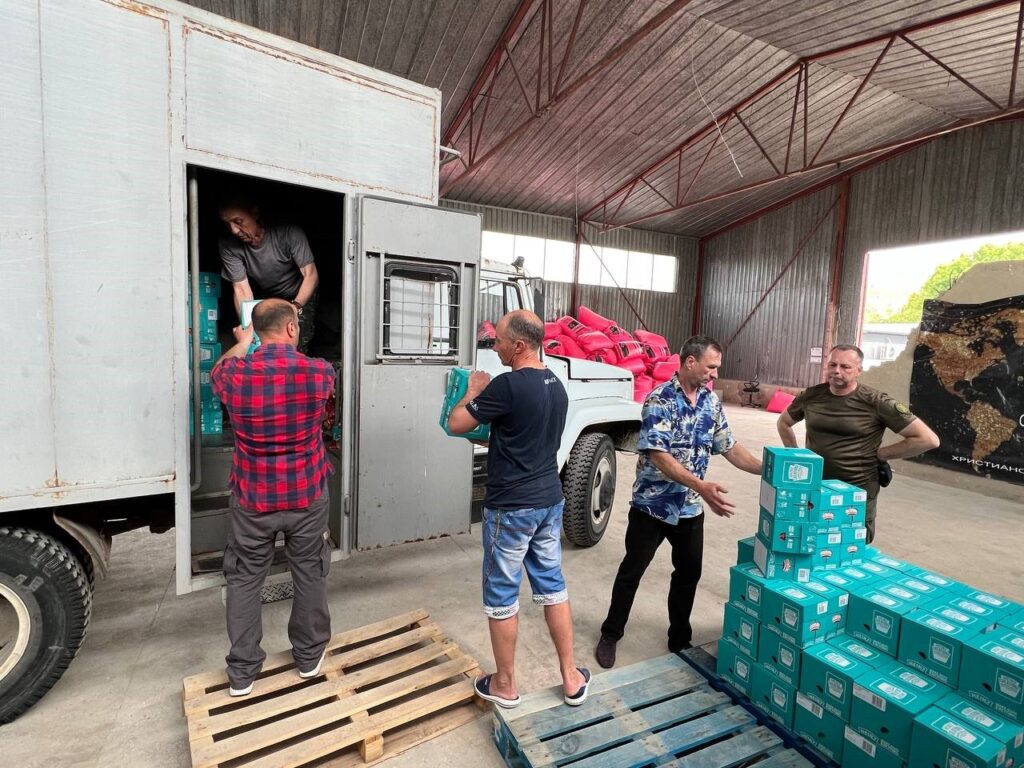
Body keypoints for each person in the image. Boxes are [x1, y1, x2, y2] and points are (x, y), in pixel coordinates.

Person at [447, 310, 590, 709]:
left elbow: (458, 423)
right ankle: (571, 676)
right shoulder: (556, 386)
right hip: (549, 501)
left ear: (520, 345)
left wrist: (473, 391)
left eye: (500, 340)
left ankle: (506, 684)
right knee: (552, 586)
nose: (495, 346)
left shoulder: (507, 387)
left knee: (502, 593)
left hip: (511, 508)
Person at [595, 335, 761, 670]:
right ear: (690, 362)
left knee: (688, 574)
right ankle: (611, 634)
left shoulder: (711, 403)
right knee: (632, 572)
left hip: (690, 508)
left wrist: (770, 469)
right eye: (711, 367)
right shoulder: (660, 400)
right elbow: (659, 456)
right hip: (652, 506)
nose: (714, 374)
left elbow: (729, 446)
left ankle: (679, 640)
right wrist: (702, 485)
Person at [210, 298, 336, 696]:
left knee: (246, 579)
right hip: (306, 494)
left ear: (256, 331)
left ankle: (243, 672)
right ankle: (308, 656)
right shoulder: (319, 372)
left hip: (252, 498)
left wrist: (244, 342)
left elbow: (217, 368)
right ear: (292, 328)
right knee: (309, 571)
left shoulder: (232, 374)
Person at [777, 344, 939, 543]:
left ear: (858, 371)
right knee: (812, 541)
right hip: (816, 486)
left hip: (856, 490)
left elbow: (928, 439)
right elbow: (784, 422)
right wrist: (797, 457)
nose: (837, 371)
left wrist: (882, 454)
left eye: (845, 367)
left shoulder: (876, 402)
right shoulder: (811, 396)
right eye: (832, 365)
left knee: (851, 545)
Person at [218, 197, 319, 352]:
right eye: (227, 224)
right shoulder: (228, 245)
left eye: (238, 221)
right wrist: (248, 326)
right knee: (260, 345)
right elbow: (241, 288)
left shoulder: (288, 231)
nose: (233, 230)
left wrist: (295, 306)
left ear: (255, 213)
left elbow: (311, 275)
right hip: (270, 295)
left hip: (300, 294)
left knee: (295, 346)